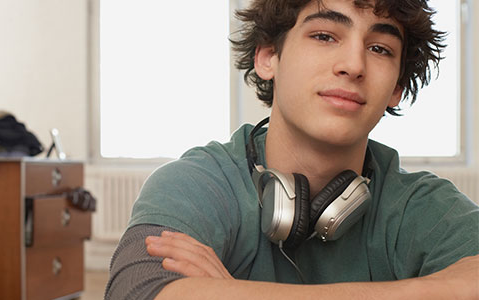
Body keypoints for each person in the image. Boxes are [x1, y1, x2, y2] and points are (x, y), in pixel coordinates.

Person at [105, 0, 479, 299]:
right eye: (324, 36)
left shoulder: (425, 207)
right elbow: (135, 291)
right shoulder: (196, 183)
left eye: (380, 48)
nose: (353, 65)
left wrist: (230, 293)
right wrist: (433, 290)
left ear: (396, 87)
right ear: (268, 56)